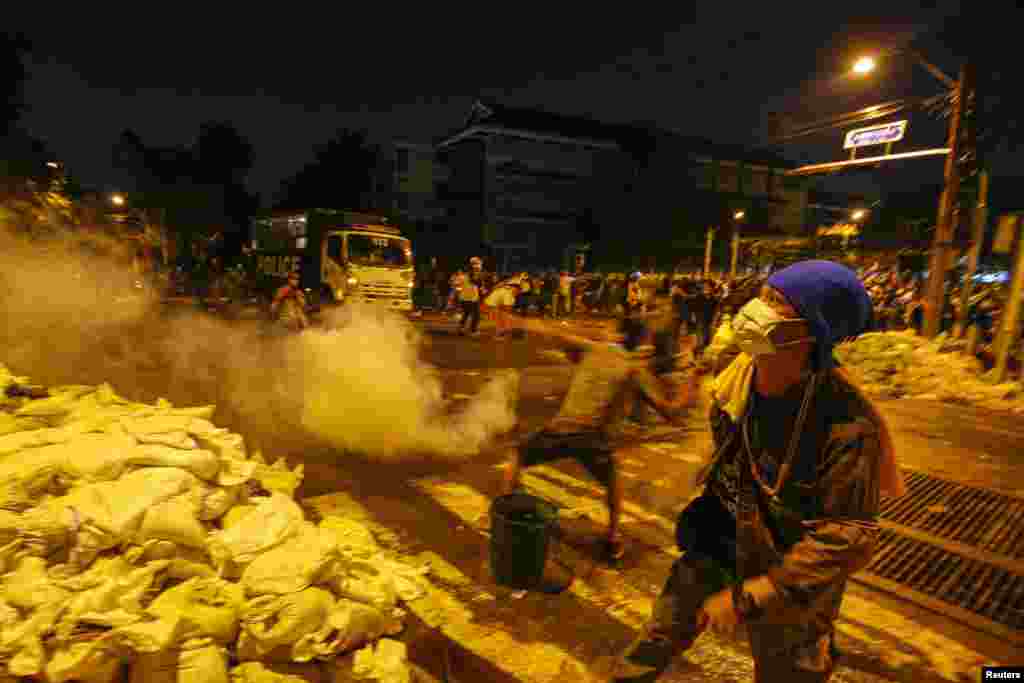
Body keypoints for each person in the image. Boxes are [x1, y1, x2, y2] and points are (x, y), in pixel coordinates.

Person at [610, 260, 906, 683]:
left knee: (789, 673)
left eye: (775, 303)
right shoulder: (738, 370)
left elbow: (848, 534)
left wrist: (760, 590)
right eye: (763, 295)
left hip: (788, 569)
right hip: (719, 538)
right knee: (656, 638)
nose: (755, 308)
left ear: (809, 331)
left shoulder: (848, 424)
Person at [503, 315, 705, 563]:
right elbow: (671, 410)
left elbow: (556, 335)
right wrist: (695, 378)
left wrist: (520, 323)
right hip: (592, 439)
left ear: (620, 335)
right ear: (640, 341)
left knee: (517, 454)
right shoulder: (633, 370)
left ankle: (504, 516)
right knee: (613, 486)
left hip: (560, 429)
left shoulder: (595, 350)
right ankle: (612, 537)